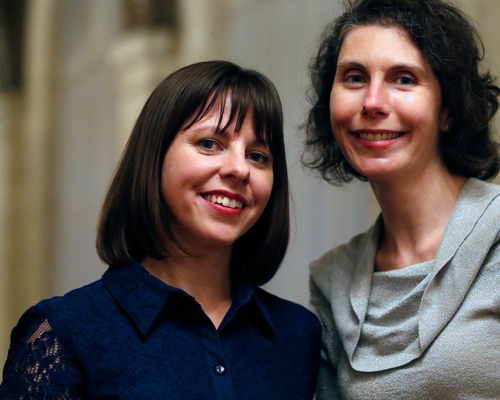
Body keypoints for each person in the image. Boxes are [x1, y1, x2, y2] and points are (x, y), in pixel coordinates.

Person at [1, 60, 321, 399]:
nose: (239, 169)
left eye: (258, 156)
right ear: (155, 156)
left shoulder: (299, 334)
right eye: (210, 143)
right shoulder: (64, 331)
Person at [303, 0, 500, 398]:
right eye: (355, 78)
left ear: (448, 109)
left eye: (404, 79)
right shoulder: (332, 280)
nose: (373, 102)